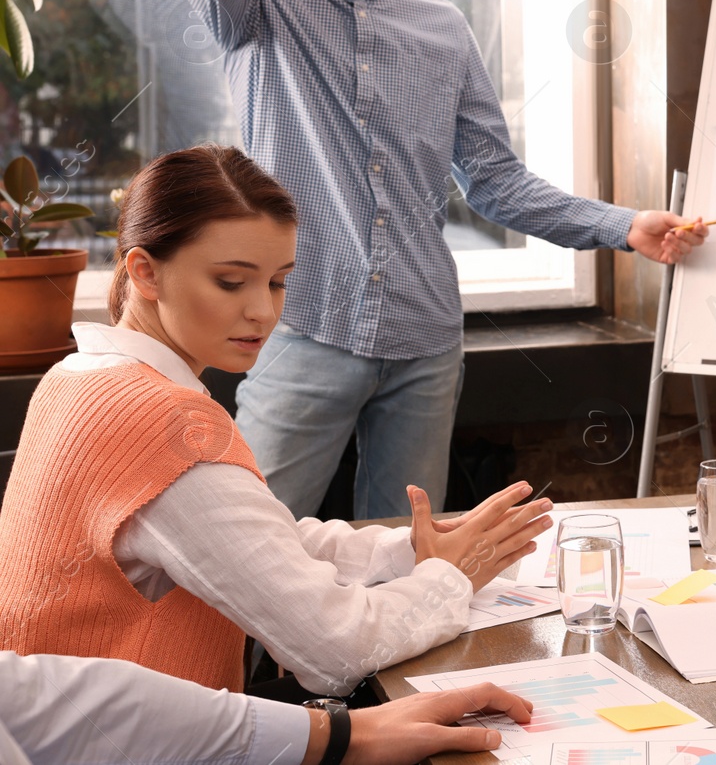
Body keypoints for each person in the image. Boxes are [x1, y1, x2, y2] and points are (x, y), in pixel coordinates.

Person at [178, 0, 708, 520]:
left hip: (424, 343)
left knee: (407, 562)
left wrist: (623, 226)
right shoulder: (254, 7)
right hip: (304, 327)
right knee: (249, 551)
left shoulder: (441, 26)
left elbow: (495, 182)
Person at [0, 146, 551, 696]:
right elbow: (339, 651)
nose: (263, 310)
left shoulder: (79, 377)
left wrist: (412, 549)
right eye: (231, 282)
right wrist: (449, 578)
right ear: (145, 272)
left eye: (278, 281)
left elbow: (258, 540)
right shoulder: (159, 421)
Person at [2, 650, 530, 765]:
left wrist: (344, 733)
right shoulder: (156, 419)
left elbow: (48, 698)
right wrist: (445, 576)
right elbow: (327, 642)